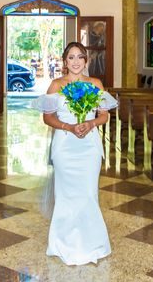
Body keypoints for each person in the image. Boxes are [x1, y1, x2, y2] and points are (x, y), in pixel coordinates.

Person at [32, 41, 117, 266]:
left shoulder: (95, 83)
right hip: (65, 145)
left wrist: (90, 123)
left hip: (88, 146)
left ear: (86, 61)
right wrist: (69, 127)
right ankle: (63, 243)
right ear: (64, 61)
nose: (76, 61)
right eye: (71, 57)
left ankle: (93, 243)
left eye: (80, 57)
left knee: (88, 193)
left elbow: (104, 115)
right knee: (66, 195)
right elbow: (47, 117)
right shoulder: (56, 85)